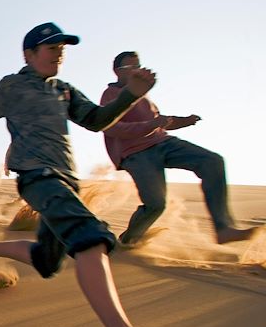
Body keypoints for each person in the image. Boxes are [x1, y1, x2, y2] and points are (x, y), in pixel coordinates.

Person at [0, 22, 190, 327]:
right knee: (90, 238)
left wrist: (131, 95)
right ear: (30, 54)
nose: (59, 54)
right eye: (52, 48)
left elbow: (96, 120)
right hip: (38, 176)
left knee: (49, 259)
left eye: (62, 49)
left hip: (66, 179)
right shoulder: (12, 86)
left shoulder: (63, 89)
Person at [102, 51, 259, 247]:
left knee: (212, 161)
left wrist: (183, 121)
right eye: (131, 68)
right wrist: (150, 125)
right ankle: (128, 241)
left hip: (163, 143)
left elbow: (159, 121)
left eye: (139, 66)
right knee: (156, 205)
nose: (137, 71)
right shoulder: (111, 95)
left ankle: (224, 228)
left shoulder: (142, 94)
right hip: (136, 153)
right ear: (117, 71)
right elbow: (114, 128)